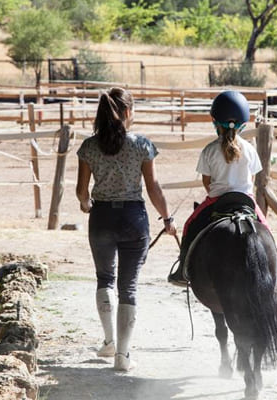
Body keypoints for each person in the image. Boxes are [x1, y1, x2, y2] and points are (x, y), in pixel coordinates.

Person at [76, 87, 176, 372]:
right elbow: (153, 188)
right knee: (128, 286)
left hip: (102, 218)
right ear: (128, 112)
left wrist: (86, 206)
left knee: (104, 278)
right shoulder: (142, 145)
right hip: (134, 218)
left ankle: (108, 341)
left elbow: (82, 192)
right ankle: (123, 355)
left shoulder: (89, 147)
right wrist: (167, 218)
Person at [167, 90, 277, 286]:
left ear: (215, 121)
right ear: (243, 123)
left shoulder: (209, 150)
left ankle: (182, 270)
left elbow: (207, 181)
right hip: (245, 199)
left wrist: (216, 192)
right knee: (266, 229)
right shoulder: (249, 149)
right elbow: (253, 177)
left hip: (217, 200)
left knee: (189, 226)